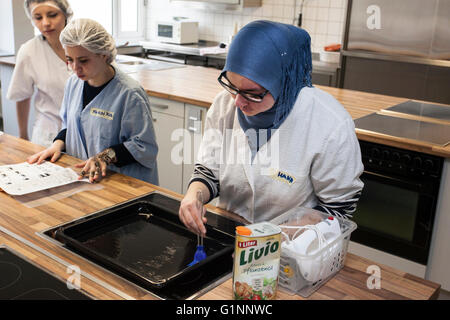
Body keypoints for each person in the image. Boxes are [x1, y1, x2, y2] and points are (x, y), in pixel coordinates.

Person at [179, 20, 364, 236]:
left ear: (283, 82)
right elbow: (209, 172)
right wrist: (195, 195)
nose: (238, 102)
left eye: (253, 93)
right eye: (232, 86)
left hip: (293, 249)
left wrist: (269, 239)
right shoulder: (224, 105)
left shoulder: (329, 123)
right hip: (229, 235)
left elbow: (338, 209)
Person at [27, 18, 159, 185]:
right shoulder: (73, 83)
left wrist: (106, 156)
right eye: (70, 59)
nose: (75, 68)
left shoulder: (129, 94)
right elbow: (70, 126)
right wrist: (57, 145)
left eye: (83, 60)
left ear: (104, 55)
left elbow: (144, 146)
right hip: (86, 179)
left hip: (126, 184)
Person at [7, 0, 73, 147]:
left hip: (82, 134)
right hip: (48, 134)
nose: (46, 23)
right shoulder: (29, 51)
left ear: (66, 13)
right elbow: (22, 95)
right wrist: (23, 138)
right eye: (38, 17)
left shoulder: (82, 45)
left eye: (52, 15)